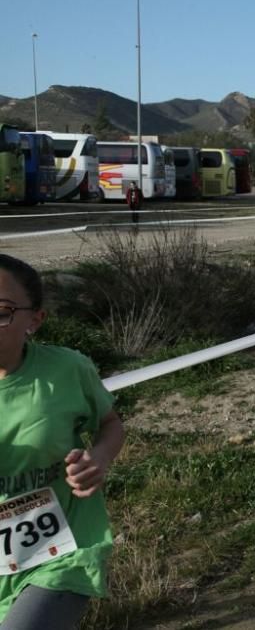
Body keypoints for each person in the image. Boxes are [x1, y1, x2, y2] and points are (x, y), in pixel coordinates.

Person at [0, 254, 125, 627]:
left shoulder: (66, 369)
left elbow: (111, 423)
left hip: (61, 548)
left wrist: (98, 459)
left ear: (35, 320)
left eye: (2, 310)